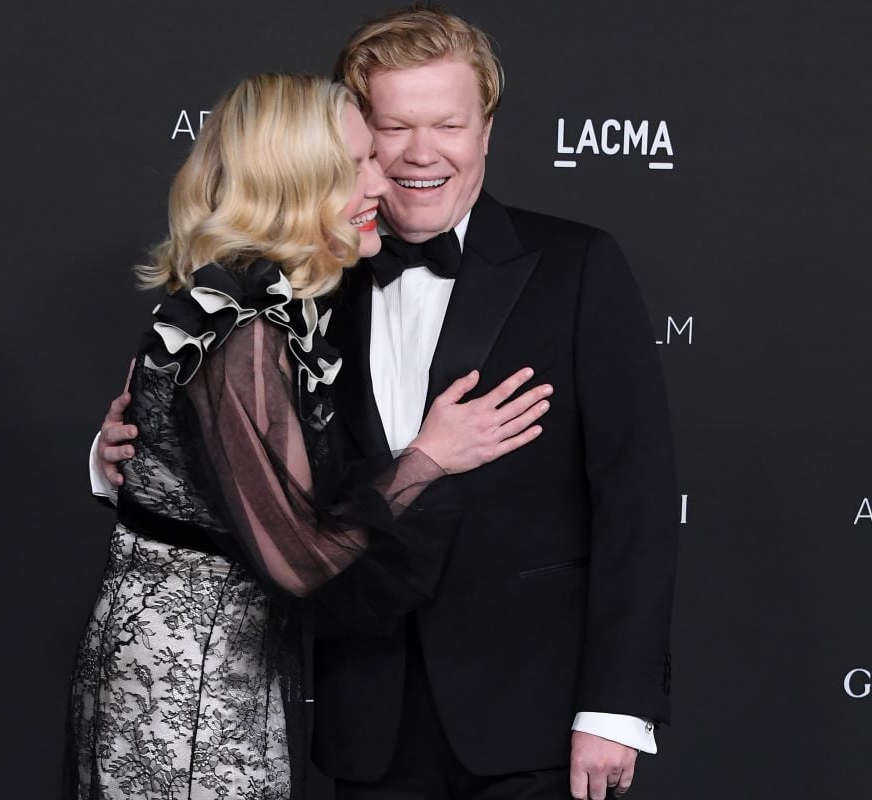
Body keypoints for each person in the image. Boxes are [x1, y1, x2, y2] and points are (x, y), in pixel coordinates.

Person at [95, 8, 679, 800]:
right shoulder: (304, 280)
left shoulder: (577, 266)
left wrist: (615, 708)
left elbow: (635, 499)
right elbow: (251, 471)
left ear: (486, 129)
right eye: (392, 128)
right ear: (353, 139)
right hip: (364, 713)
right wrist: (121, 459)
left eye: (446, 122)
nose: (417, 154)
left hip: (530, 716)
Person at [67, 72, 552, 800]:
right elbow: (300, 556)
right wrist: (430, 455)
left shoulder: (259, 304)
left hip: (227, 659)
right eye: (355, 166)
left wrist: (128, 468)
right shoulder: (243, 331)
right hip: (187, 675)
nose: (379, 186)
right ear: (298, 183)